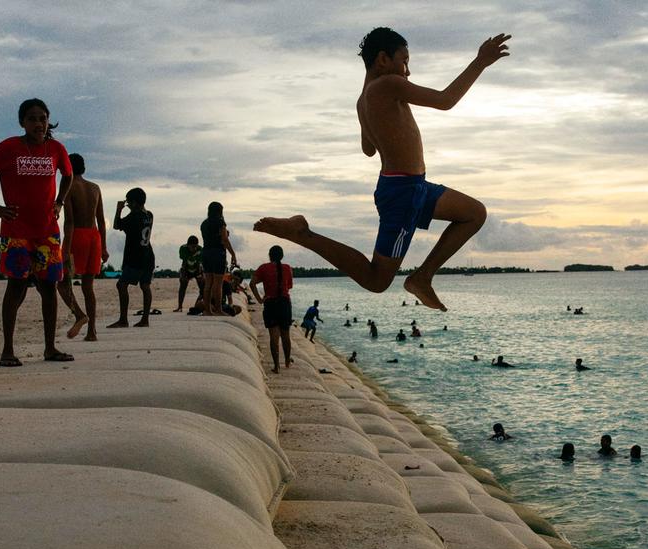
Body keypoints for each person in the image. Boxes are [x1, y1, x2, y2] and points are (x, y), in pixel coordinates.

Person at [254, 29, 509, 312]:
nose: (408, 71)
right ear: (383, 59)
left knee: (475, 213)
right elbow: (445, 100)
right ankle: (302, 233)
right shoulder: (388, 85)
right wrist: (480, 62)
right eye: (405, 61)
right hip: (403, 192)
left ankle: (423, 277)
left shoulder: (364, 99)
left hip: (413, 186)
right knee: (376, 279)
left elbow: (368, 148)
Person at [0, 98, 74, 367]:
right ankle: (7, 350)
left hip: (47, 231)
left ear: (48, 120)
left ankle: (50, 348)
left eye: (42, 118)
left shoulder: (56, 149)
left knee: (49, 288)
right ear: (22, 123)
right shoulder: (10, 147)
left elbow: (68, 175)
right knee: (16, 287)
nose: (38, 123)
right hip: (16, 230)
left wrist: (60, 201)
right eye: (31, 119)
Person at [61, 153, 106, 339]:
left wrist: (65, 248)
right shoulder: (95, 188)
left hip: (77, 236)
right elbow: (101, 221)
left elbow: (69, 221)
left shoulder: (69, 187)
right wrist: (104, 247)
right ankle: (92, 331)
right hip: (94, 237)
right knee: (88, 286)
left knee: (62, 283)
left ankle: (79, 315)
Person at [106, 187, 155, 327]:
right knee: (145, 286)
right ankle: (145, 319)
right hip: (148, 255)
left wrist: (119, 210)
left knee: (121, 285)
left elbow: (116, 225)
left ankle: (123, 319)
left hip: (135, 257)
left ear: (133, 203)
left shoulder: (134, 216)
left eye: (128, 203)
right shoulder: (149, 215)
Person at [250, 245, 294, 374]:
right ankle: (286, 361)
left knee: (274, 336)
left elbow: (252, 284)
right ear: (282, 256)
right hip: (285, 303)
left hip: (271, 304)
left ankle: (276, 366)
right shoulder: (287, 268)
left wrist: (259, 299)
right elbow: (289, 286)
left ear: (270, 255)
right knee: (286, 334)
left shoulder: (264, 268)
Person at [200, 201, 238, 315]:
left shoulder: (204, 224)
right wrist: (233, 254)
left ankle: (207, 310)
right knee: (218, 284)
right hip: (218, 253)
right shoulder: (220, 222)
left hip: (206, 252)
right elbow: (224, 239)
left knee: (208, 283)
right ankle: (218, 310)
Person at [175, 235, 203, 312]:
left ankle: (197, 304)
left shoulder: (200, 250)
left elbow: (200, 264)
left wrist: (200, 275)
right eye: (192, 247)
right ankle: (180, 307)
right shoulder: (183, 249)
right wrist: (184, 275)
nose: (194, 249)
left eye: (195, 247)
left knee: (203, 288)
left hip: (197, 268)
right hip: (186, 268)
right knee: (183, 287)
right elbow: (184, 262)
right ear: (188, 245)